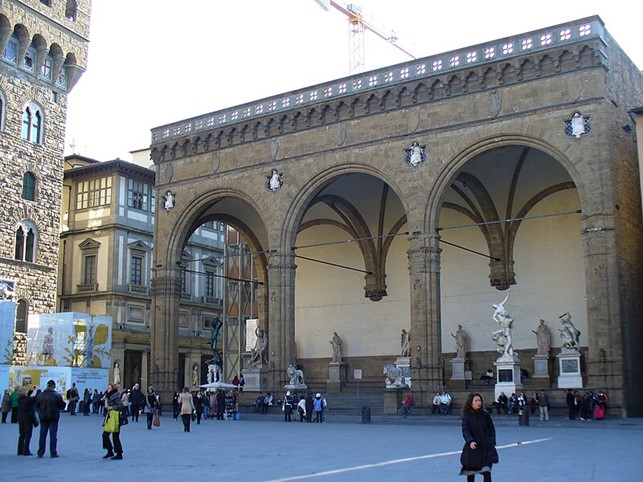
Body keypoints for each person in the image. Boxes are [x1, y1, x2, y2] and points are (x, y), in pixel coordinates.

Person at [459, 393, 499, 481]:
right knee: (471, 474)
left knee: (487, 473)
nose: (478, 402)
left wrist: (492, 441)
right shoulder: (467, 417)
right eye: (476, 401)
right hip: (473, 449)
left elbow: (491, 429)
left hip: (486, 448)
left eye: (479, 400)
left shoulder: (485, 415)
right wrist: (470, 441)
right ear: (471, 403)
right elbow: (466, 431)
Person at [35, 379, 66, 458]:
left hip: (43, 418)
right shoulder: (57, 395)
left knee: (42, 435)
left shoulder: (41, 395)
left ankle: (40, 452)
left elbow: (36, 406)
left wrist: (40, 412)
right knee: (53, 436)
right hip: (53, 418)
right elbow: (62, 405)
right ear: (54, 386)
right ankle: (53, 452)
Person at [101, 383, 124, 459]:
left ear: (113, 389)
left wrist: (112, 407)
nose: (108, 389)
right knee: (105, 434)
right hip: (110, 417)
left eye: (109, 388)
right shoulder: (108, 395)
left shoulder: (115, 396)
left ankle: (119, 454)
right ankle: (110, 451)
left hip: (116, 417)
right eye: (107, 388)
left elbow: (121, 406)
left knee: (115, 436)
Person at [17, 386, 37, 456]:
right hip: (27, 418)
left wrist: (31, 391)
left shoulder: (19, 400)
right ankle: (26, 450)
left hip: (20, 418)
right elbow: (35, 399)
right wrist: (37, 391)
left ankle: (20, 450)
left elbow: (29, 397)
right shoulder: (27, 399)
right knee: (28, 435)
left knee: (21, 434)